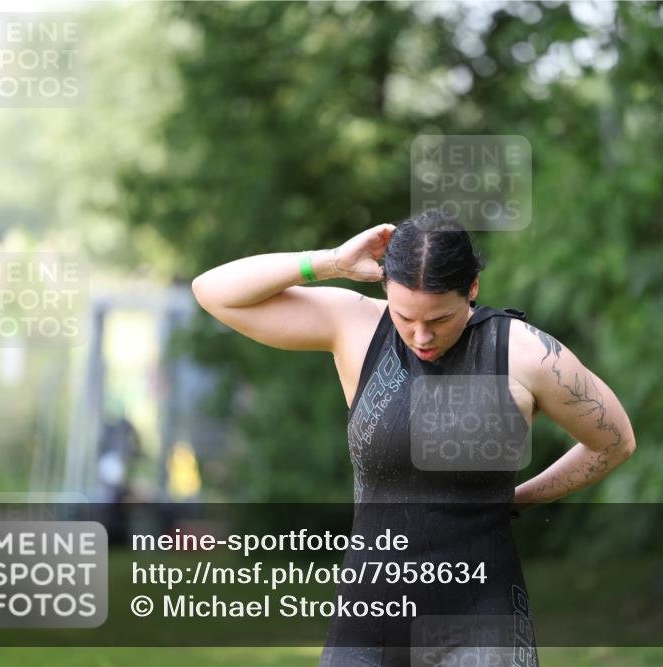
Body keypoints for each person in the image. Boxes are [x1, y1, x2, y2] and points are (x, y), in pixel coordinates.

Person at [191, 208, 637, 666]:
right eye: (406, 317)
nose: (421, 336)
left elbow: (614, 441)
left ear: (473, 290)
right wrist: (329, 263)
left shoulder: (525, 354)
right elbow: (214, 292)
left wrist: (522, 496)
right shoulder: (357, 327)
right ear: (386, 289)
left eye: (440, 319)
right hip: (367, 618)